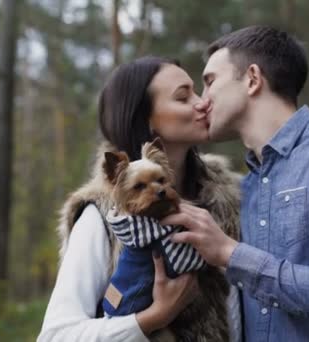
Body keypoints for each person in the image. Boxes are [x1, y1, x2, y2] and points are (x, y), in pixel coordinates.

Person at [163, 26, 309, 341]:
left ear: (253, 78)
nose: (201, 102)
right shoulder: (244, 188)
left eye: (210, 81)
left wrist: (229, 254)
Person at [38, 56, 242, 342]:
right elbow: (56, 336)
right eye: (183, 97)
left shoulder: (233, 200)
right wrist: (155, 317)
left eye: (197, 91)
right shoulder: (104, 217)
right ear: (146, 120)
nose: (202, 102)